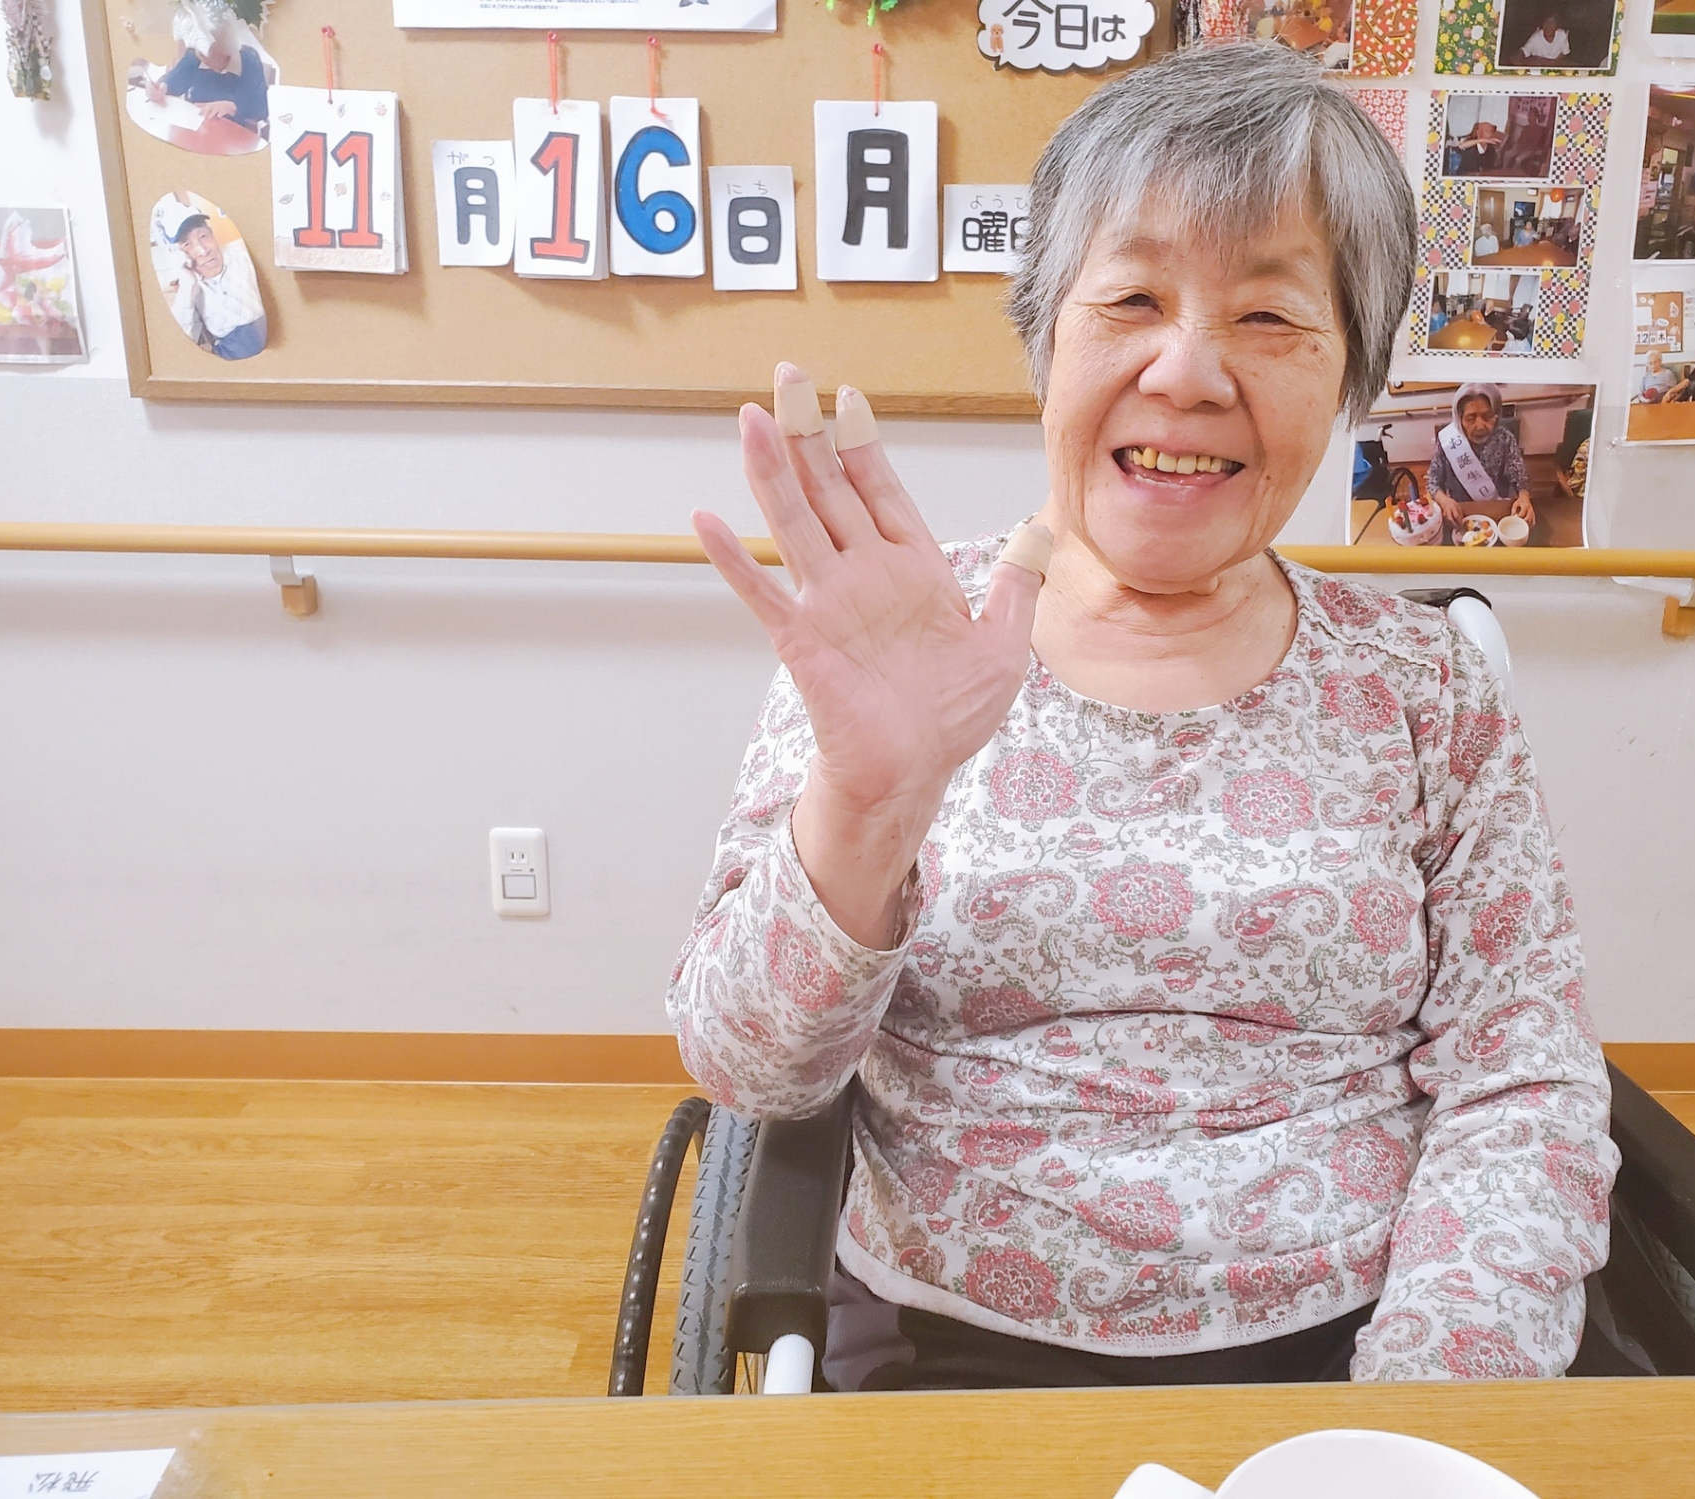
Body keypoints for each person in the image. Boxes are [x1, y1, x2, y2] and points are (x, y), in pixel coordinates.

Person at [673, 44, 1615, 1391]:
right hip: (949, 1350)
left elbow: (1519, 1079)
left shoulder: (1426, 686)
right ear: (1045, 336)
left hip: (1355, 1344)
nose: (1186, 371)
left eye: (1269, 315)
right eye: (1129, 297)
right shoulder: (893, 640)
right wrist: (867, 804)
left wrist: (1413, 1412)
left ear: (1350, 374)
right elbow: (749, 1067)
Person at [156, 197, 265, 359]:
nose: (202, 250)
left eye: (203, 236)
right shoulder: (188, 287)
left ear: (212, 234)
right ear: (178, 253)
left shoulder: (243, 257)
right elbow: (182, 343)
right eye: (187, 244)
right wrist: (187, 286)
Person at [1425, 383, 1534, 535]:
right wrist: (1444, 500)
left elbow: (1520, 476)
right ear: (1459, 419)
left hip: (1497, 514)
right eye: (1471, 418)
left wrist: (1524, 497)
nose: (1480, 426)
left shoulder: (1505, 438)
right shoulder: (1449, 442)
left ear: (1496, 415)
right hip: (1460, 515)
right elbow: (1432, 482)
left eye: (1487, 416)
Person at [146, 7, 270, 135]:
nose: (201, 58)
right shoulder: (195, 54)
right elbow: (175, 80)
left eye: (206, 54)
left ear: (227, 51)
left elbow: (262, 108)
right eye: (199, 52)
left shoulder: (249, 59)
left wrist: (233, 106)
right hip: (196, 127)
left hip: (231, 133)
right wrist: (161, 87)